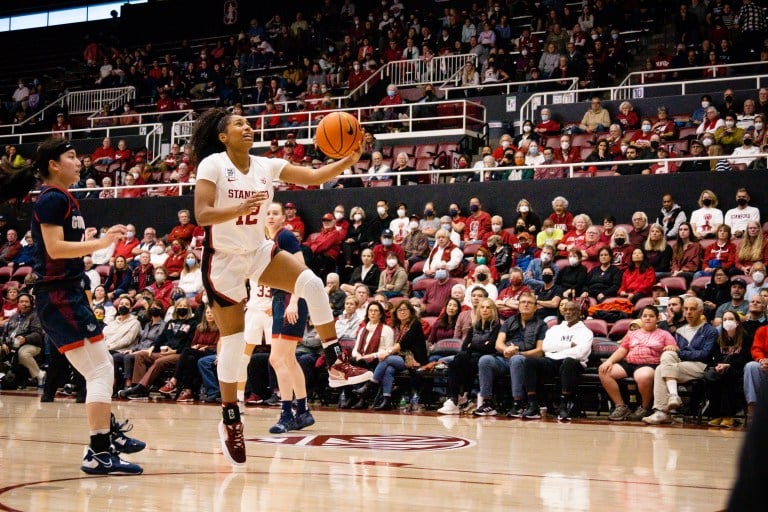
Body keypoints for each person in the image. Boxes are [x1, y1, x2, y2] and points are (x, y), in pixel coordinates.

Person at [191, 108, 370, 465]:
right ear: (223, 136)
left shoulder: (266, 165)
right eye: (237, 124)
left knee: (312, 283)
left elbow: (315, 175)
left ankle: (335, 362)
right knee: (234, 340)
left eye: (247, 122)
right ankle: (230, 419)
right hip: (223, 258)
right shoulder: (212, 164)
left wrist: (350, 158)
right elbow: (202, 215)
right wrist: (240, 206)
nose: (246, 126)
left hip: (256, 250)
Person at [27, 138, 144, 475]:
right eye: (72, 156)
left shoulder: (65, 199)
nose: (80, 162)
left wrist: (86, 239)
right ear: (53, 164)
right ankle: (99, 450)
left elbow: (65, 246)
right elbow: (54, 248)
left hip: (69, 292)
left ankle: (107, 437)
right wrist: (101, 242)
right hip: (58, 294)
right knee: (100, 370)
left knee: (100, 365)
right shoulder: (51, 198)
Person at [642, 297, 718, 424]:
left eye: (692, 309)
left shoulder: (710, 331)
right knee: (666, 357)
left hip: (700, 366)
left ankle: (662, 412)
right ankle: (673, 396)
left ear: (700, 311)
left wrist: (681, 352)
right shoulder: (680, 330)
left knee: (662, 368)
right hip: (681, 365)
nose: (688, 312)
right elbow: (678, 352)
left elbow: (704, 355)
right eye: (686, 309)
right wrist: (675, 350)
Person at [599, 305, 677, 421]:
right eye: (645, 316)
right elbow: (622, 350)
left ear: (657, 318)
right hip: (630, 363)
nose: (647, 318)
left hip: (650, 363)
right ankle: (621, 406)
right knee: (604, 371)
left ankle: (645, 407)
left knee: (643, 376)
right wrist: (609, 361)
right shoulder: (632, 334)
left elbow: (674, 348)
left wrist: (671, 347)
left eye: (651, 316)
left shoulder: (664, 334)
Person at [522, 301, 593, 421]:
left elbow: (581, 353)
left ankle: (563, 405)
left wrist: (558, 349)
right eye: (566, 310)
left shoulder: (586, 332)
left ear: (579, 313)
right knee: (530, 361)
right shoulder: (555, 329)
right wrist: (569, 344)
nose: (568, 313)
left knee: (569, 361)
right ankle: (533, 404)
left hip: (574, 364)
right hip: (552, 360)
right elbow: (546, 347)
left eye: (572, 310)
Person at [477, 292, 546, 416]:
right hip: (505, 357)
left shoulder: (541, 325)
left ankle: (518, 403)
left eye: (529, 303)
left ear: (535, 307)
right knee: (485, 360)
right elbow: (498, 343)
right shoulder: (510, 321)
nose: (525, 305)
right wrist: (505, 350)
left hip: (526, 359)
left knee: (517, 359)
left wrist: (519, 353)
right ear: (518, 306)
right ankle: (487, 403)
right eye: (523, 302)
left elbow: (540, 350)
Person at [438, 298, 501, 414]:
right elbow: (464, 346)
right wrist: (479, 345)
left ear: (493, 311)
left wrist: (473, 345)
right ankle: (455, 399)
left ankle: (458, 398)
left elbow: (490, 347)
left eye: (488, 307)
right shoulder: (474, 326)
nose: (485, 310)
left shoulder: (497, 327)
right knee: (456, 361)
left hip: (487, 359)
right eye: (482, 307)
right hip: (470, 357)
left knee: (461, 361)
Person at [706, 310, 752, 428]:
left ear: (737, 322)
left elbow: (746, 358)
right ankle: (716, 415)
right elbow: (715, 356)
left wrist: (729, 365)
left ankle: (728, 415)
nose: (727, 322)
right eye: (725, 319)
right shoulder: (720, 339)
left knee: (728, 376)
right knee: (713, 377)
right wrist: (718, 365)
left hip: (739, 369)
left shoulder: (746, 337)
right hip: (723, 368)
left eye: (730, 319)